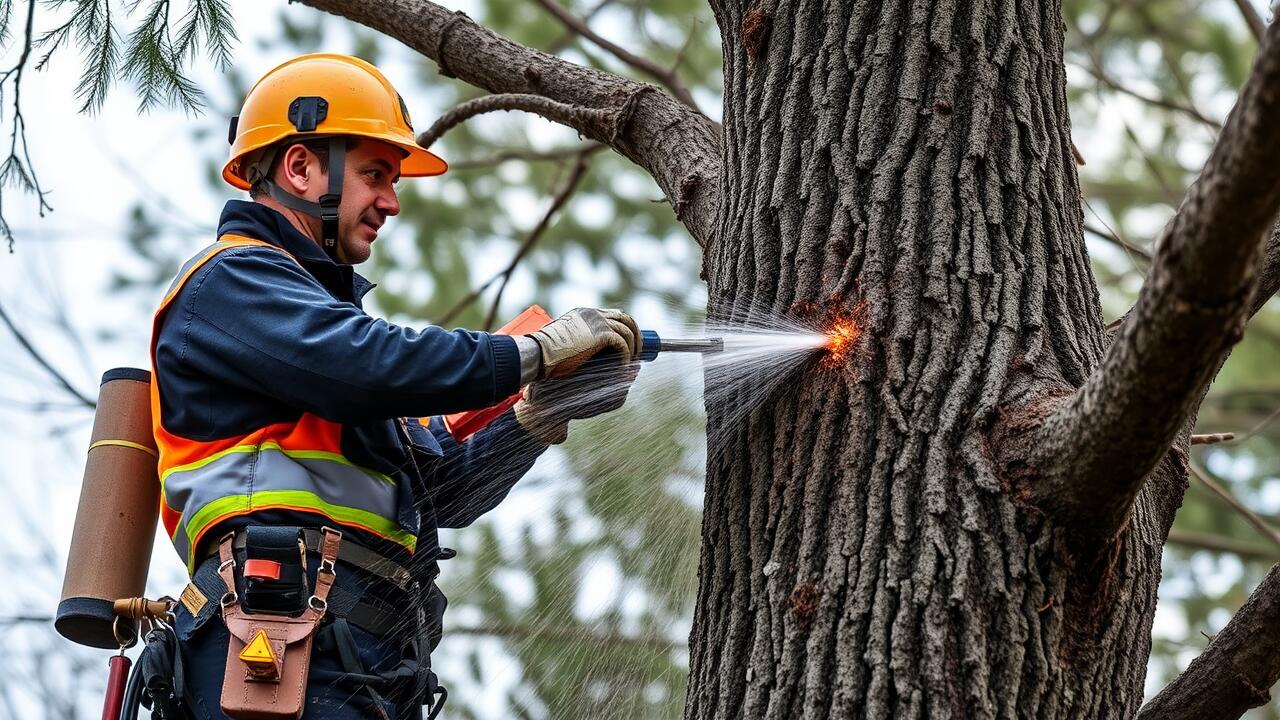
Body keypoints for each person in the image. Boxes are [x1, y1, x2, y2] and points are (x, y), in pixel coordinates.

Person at [152, 53, 641, 719]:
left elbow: (440, 493)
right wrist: (530, 351)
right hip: (275, 639)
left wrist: (537, 418)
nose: (391, 201)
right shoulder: (232, 283)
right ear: (299, 168)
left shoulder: (330, 339)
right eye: (374, 175)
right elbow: (371, 365)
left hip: (363, 658)